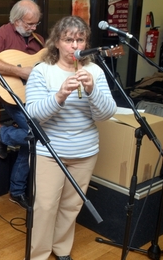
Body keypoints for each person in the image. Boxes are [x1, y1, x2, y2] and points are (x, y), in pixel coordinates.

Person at [25, 15, 117, 260]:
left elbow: (106, 113)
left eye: (80, 40)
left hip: (84, 151)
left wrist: (91, 90)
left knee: (71, 205)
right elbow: (33, 114)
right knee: (45, 207)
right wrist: (59, 96)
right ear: (57, 42)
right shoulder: (42, 71)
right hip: (49, 153)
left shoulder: (94, 70)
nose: (75, 46)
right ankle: (39, 255)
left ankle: (61, 249)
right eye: (68, 40)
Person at [0, 0, 45, 209]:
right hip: (14, 96)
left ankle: (17, 189)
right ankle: (2, 135)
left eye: (36, 23)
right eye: (29, 24)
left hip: (36, 98)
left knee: (35, 138)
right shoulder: (3, 34)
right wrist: (20, 72)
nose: (34, 28)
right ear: (17, 20)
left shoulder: (39, 40)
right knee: (37, 135)